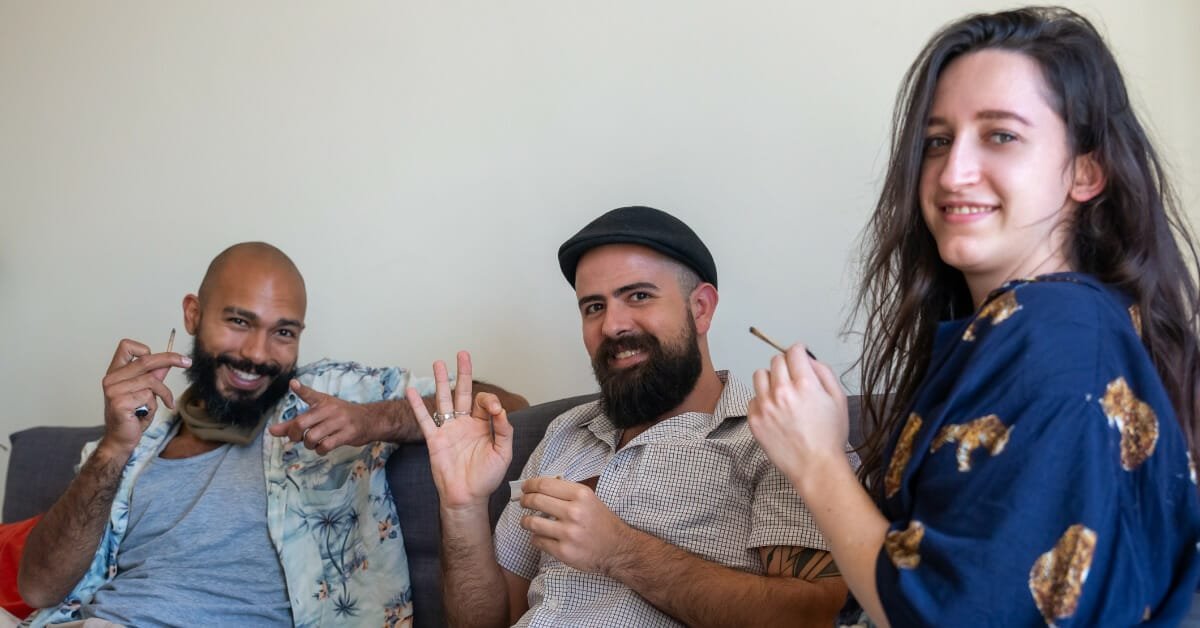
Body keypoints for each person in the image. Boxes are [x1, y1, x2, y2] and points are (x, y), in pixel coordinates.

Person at [747, 7, 1200, 626]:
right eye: (937, 141)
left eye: (1001, 135)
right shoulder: (1027, 329)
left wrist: (817, 463)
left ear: (1086, 171)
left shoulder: (1057, 334)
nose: (953, 172)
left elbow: (950, 612)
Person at [17, 242, 524, 627]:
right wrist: (113, 445)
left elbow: (504, 408)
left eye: (283, 332)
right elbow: (39, 588)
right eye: (239, 321)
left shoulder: (329, 394)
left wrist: (373, 420)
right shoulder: (133, 445)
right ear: (193, 314)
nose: (259, 354)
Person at [408, 205, 852, 627]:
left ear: (700, 308)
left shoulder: (781, 434)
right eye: (594, 307)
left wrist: (618, 549)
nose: (613, 325)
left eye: (638, 296)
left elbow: (811, 618)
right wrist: (461, 506)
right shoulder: (565, 434)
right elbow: (487, 619)